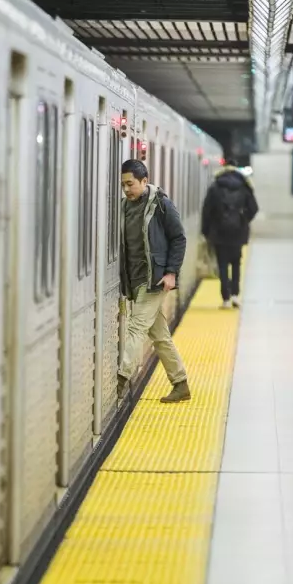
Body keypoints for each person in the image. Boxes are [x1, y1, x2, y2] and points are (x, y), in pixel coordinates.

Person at [117, 159, 191, 404]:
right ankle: (180, 384)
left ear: (144, 181)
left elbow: (179, 238)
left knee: (136, 327)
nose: (127, 189)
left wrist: (171, 272)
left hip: (155, 279)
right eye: (123, 185)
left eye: (131, 184)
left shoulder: (161, 205)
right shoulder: (124, 207)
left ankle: (123, 375)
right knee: (160, 336)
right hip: (136, 279)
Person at [201, 158, 258, 308]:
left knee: (222, 265)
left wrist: (206, 231)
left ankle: (225, 299)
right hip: (238, 233)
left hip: (219, 233)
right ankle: (235, 295)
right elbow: (254, 208)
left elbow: (207, 211)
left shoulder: (215, 186)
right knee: (236, 263)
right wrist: (243, 220)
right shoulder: (245, 186)